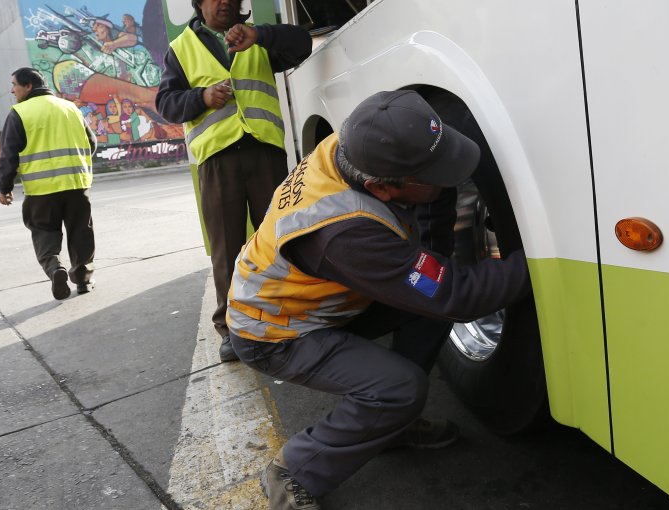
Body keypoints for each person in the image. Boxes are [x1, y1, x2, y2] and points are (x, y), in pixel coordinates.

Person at [226, 90, 532, 509]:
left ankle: (389, 425)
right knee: (400, 389)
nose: (450, 177)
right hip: (277, 333)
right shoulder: (347, 234)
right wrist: (545, 265)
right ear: (381, 188)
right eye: (435, 175)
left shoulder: (355, 147)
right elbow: (453, 293)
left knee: (426, 308)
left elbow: (433, 260)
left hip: (315, 302)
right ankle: (294, 469)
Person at [155, 0, 312, 362]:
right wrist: (202, 97)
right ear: (199, 4)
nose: (224, 1)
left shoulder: (258, 38)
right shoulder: (181, 49)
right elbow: (165, 103)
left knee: (279, 239)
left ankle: (294, 314)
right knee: (227, 248)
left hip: (264, 151)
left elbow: (301, 43)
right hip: (218, 160)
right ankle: (232, 328)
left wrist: (260, 35)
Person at [0, 67, 98, 300]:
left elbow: (8, 155)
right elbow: (91, 144)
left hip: (41, 191)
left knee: (44, 232)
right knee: (81, 232)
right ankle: (83, 281)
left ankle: (55, 269)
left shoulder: (19, 113)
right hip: (76, 185)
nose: (12, 90)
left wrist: (5, 188)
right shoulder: (70, 108)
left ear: (28, 86)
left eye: (14, 85)